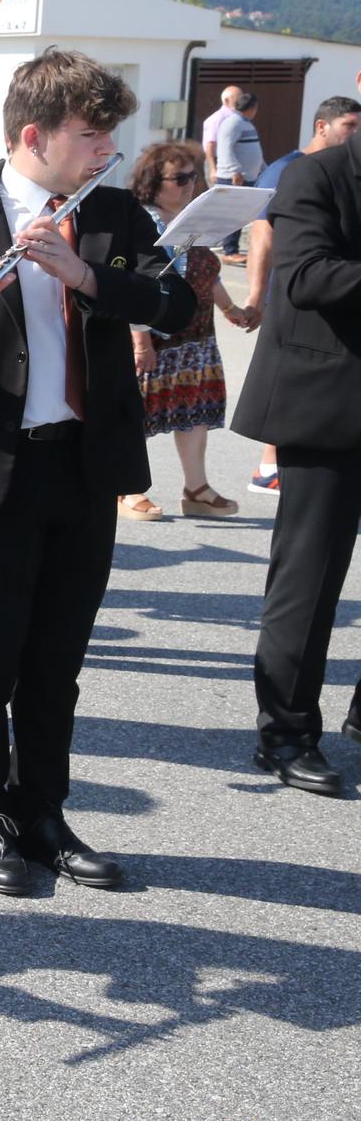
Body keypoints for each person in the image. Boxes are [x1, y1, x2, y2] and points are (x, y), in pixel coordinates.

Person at [0, 48, 194, 897]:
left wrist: (88, 276)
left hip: (84, 466)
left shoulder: (116, 214)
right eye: (90, 136)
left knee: (58, 661)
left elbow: (178, 303)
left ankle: (43, 811)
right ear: (33, 135)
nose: (104, 152)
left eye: (108, 137)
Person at [229, 102, 361, 797]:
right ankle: (285, 733)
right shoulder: (315, 176)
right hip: (329, 403)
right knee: (308, 583)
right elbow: (306, 277)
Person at [119, 142, 248, 522]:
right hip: (155, 336)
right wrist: (140, 341)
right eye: (180, 178)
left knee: (195, 412)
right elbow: (134, 286)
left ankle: (197, 489)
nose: (190, 184)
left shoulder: (198, 218)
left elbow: (210, 272)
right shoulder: (143, 222)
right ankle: (127, 488)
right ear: (153, 183)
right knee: (136, 415)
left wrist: (231, 308)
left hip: (197, 337)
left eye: (194, 176)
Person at [241, 94, 361, 495]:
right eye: (348, 125)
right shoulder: (292, 170)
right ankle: (269, 466)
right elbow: (262, 235)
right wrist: (257, 295)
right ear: (321, 126)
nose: (353, 133)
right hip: (299, 313)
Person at [214, 91, 265, 263]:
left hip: (247, 177)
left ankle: (231, 248)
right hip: (235, 178)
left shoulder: (246, 124)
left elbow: (254, 150)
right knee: (233, 214)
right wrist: (234, 171)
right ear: (252, 108)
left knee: (240, 214)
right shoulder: (232, 123)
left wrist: (264, 168)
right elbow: (225, 149)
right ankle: (229, 251)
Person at [200, 84, 243, 182]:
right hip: (218, 162)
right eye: (238, 98)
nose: (241, 101)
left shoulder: (238, 117)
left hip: (234, 163)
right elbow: (210, 145)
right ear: (226, 100)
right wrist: (213, 169)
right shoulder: (217, 119)